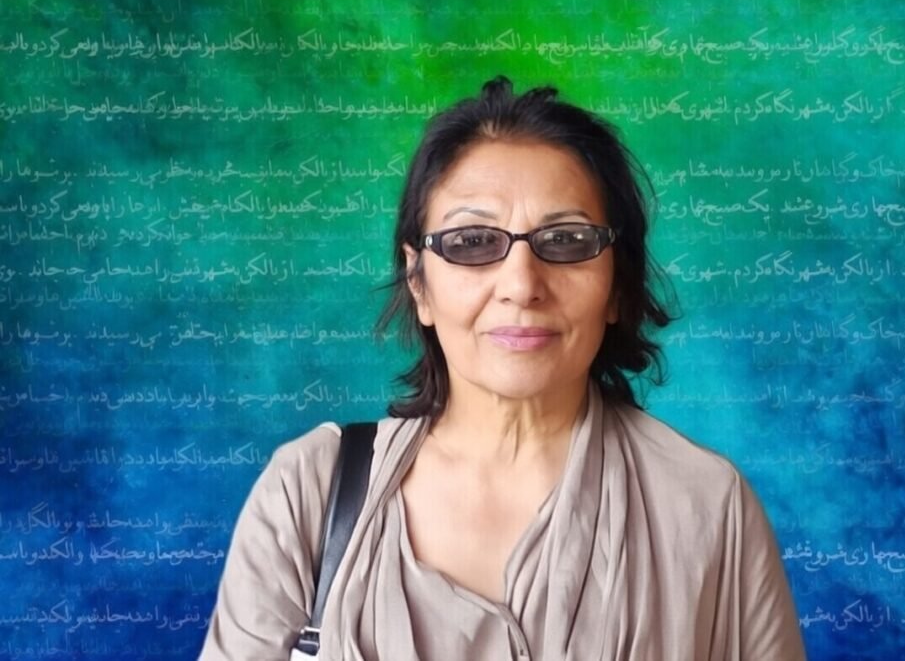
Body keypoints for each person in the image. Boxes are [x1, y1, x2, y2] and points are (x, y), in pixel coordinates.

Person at [200, 76, 806, 660]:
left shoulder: (708, 505)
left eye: (566, 240)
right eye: (472, 242)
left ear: (617, 285)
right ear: (419, 284)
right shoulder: (307, 494)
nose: (521, 285)